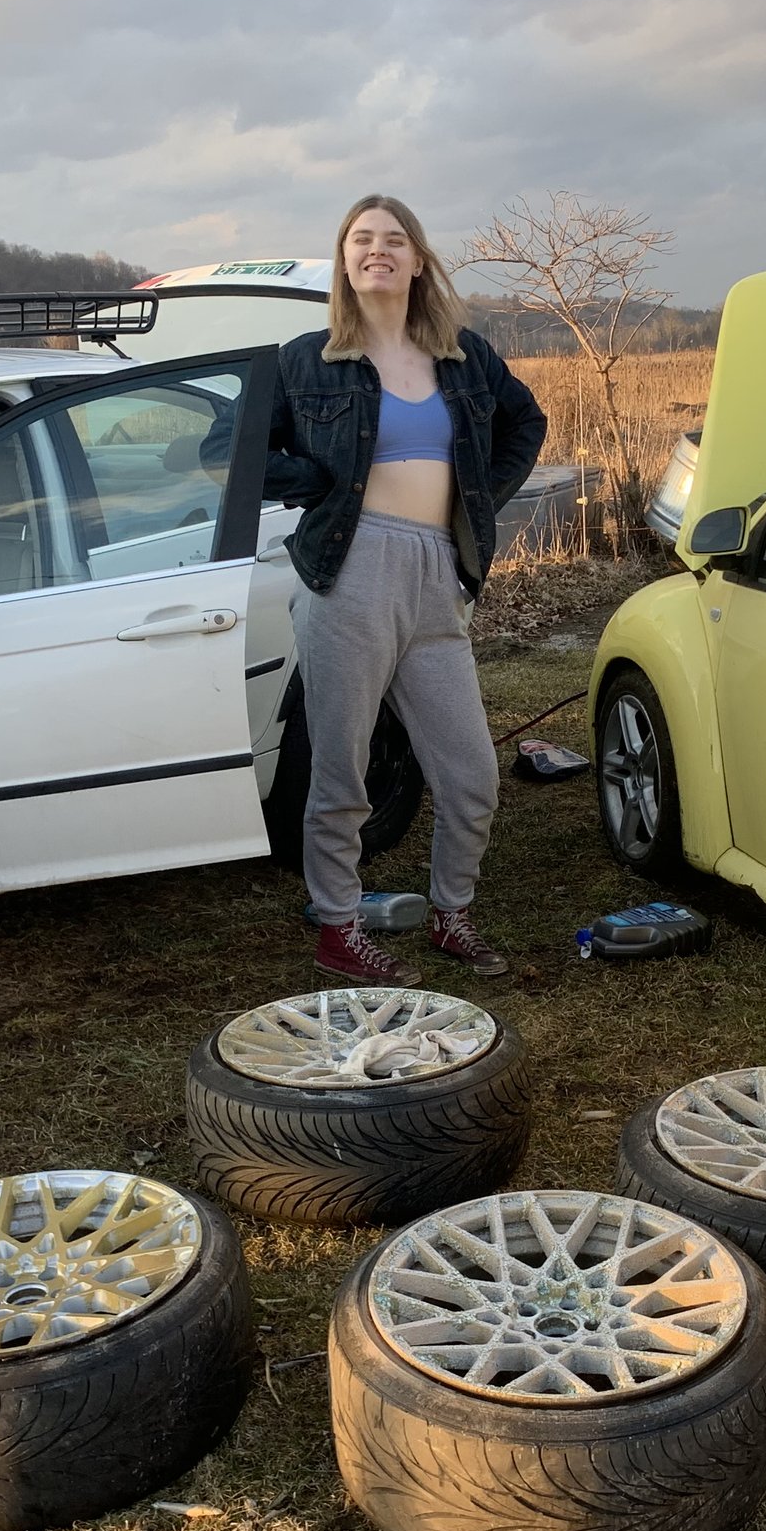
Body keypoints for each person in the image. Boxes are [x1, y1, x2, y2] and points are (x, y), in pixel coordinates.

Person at [255, 194, 546, 985]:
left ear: (418, 260)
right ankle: (340, 928)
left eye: (393, 239)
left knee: (470, 771)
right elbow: (236, 448)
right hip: (349, 572)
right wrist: (315, 480)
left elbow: (527, 422)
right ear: (345, 262)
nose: (377, 250)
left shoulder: (465, 357)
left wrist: (479, 492)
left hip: (438, 572)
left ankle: (453, 913)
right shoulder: (305, 358)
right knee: (342, 768)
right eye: (360, 240)